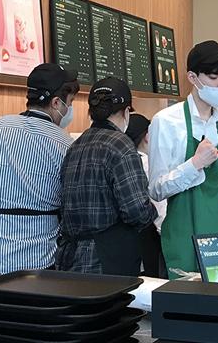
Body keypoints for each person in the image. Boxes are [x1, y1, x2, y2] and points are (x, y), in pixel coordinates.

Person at [0, 63, 79, 281]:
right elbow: (70, 200)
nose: (70, 110)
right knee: (31, 315)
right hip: (42, 257)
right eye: (70, 103)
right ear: (57, 102)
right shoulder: (66, 144)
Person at [148, 40, 218, 277]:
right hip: (181, 236)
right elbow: (156, 189)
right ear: (192, 77)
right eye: (214, 77)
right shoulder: (166, 121)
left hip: (217, 237)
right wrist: (195, 164)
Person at [56, 77, 157, 275]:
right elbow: (136, 210)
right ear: (126, 111)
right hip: (108, 258)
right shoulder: (120, 144)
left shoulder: (76, 144)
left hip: (71, 256)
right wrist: (153, 211)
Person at [127, 112, 168, 277]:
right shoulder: (147, 164)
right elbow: (160, 210)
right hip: (150, 240)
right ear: (147, 136)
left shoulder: (128, 161)